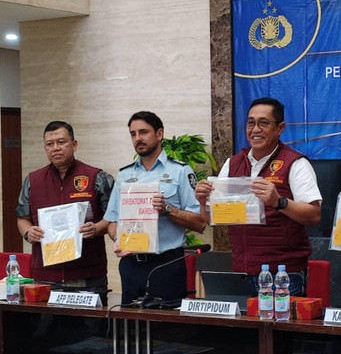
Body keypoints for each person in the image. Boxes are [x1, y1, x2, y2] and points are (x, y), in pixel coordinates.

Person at [195, 97, 322, 296]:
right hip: (242, 270)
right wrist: (204, 203)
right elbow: (212, 219)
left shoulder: (295, 163)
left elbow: (314, 215)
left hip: (282, 273)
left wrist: (279, 202)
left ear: (280, 128)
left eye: (264, 123)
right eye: (250, 123)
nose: (255, 129)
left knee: (280, 327)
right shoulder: (233, 163)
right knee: (246, 327)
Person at [104, 111, 206, 305]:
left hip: (166, 265)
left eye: (143, 132)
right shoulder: (125, 175)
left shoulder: (180, 171)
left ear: (159, 134)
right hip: (131, 264)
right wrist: (118, 238)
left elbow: (200, 223)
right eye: (133, 134)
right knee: (131, 327)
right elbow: (112, 221)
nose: (138, 138)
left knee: (166, 330)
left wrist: (168, 209)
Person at [17, 121, 114, 302]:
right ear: (45, 148)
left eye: (61, 142)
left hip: (88, 276)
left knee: (91, 331)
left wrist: (96, 228)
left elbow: (113, 217)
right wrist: (28, 232)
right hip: (46, 277)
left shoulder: (96, 177)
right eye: (50, 144)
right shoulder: (33, 180)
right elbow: (22, 218)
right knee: (46, 330)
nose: (56, 148)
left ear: (74, 144)